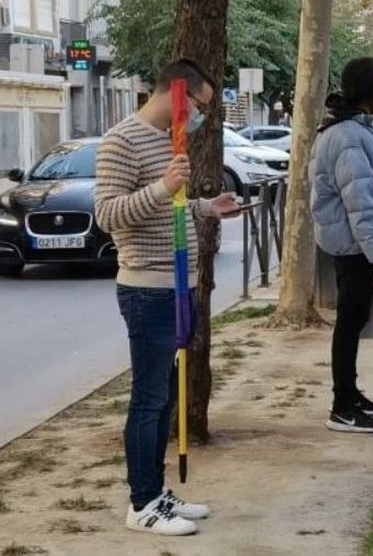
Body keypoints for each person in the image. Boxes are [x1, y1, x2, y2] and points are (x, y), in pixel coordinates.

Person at [95, 59, 242, 536]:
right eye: (199, 106)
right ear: (179, 94)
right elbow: (108, 215)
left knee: (164, 400)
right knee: (149, 398)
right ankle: (141, 503)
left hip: (177, 286)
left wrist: (203, 207)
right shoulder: (123, 139)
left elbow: (167, 210)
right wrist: (164, 186)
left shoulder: (168, 141)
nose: (201, 116)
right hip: (146, 288)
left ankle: (156, 493)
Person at [310, 58, 373, 436]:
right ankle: (342, 406)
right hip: (354, 247)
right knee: (349, 325)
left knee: (353, 322)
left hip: (353, 245)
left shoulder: (350, 128)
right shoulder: (348, 135)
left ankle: (350, 394)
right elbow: (360, 203)